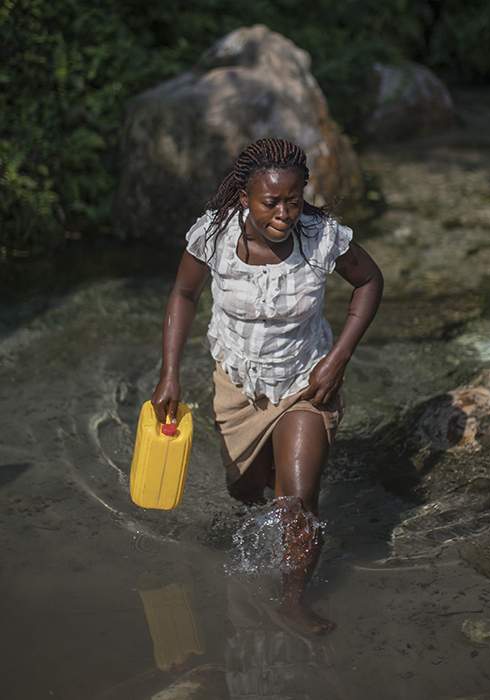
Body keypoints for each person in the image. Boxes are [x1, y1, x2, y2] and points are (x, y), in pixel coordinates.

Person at [152, 137, 383, 634]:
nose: (285, 213)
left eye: (294, 200)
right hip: (237, 387)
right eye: (271, 202)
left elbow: (369, 282)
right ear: (244, 197)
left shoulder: (323, 237)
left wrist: (338, 359)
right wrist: (169, 372)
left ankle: (292, 601)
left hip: (306, 381)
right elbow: (184, 293)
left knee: (296, 500)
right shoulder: (212, 236)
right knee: (246, 490)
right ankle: (265, 479)